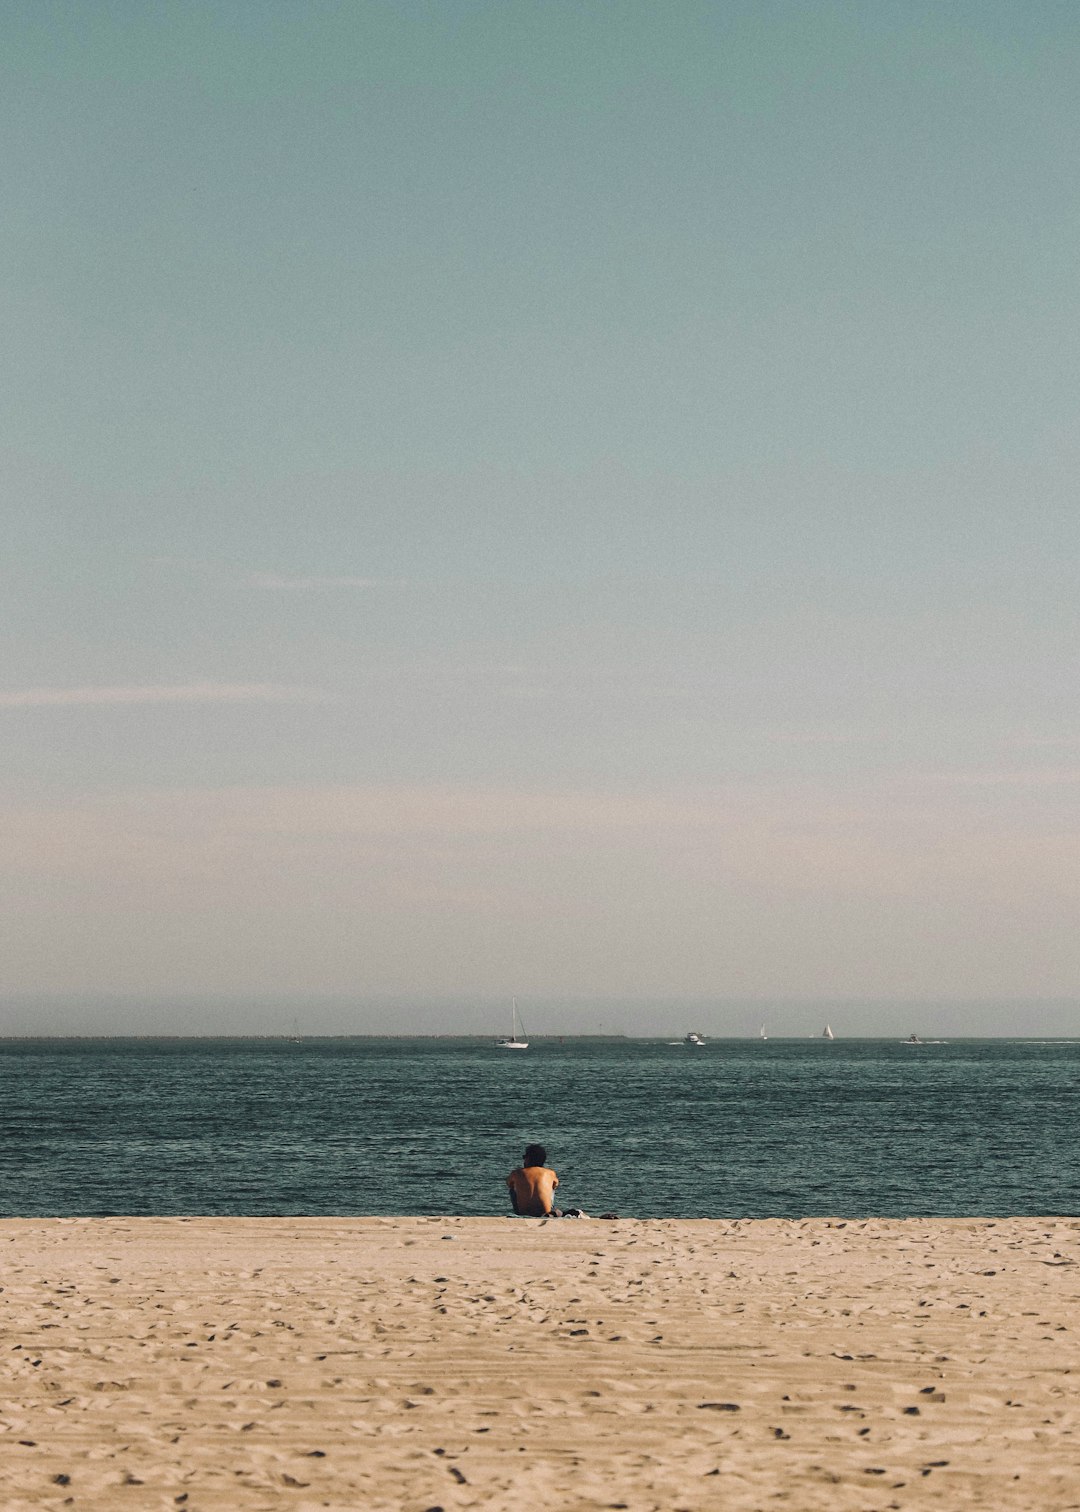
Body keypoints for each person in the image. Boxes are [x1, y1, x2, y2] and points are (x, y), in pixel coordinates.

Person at [506, 1143, 561, 1217]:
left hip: (523, 1212)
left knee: (512, 1188)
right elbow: (556, 1184)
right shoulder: (550, 1173)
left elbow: (508, 1183)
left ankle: (520, 1211)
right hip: (544, 1212)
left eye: (524, 1157)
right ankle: (549, 1210)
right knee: (552, 1186)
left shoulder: (516, 1173)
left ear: (528, 1159)